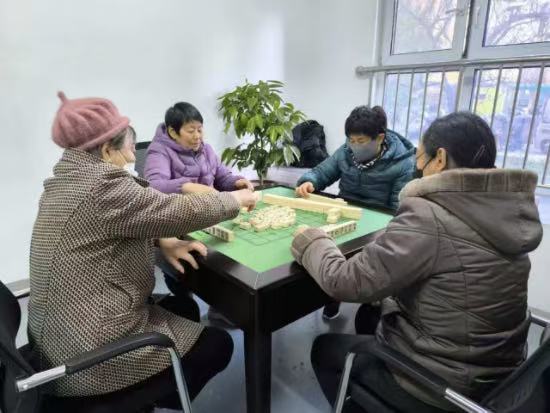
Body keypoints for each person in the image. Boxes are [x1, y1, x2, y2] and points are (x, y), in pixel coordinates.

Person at [291, 112, 543, 411]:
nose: (418, 167)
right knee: (369, 316)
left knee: (325, 350)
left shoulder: (428, 213)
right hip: (499, 376)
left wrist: (312, 240)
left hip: (444, 385)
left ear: (440, 158)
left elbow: (345, 281)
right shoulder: (507, 210)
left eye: (421, 158)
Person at [28, 92, 258, 411]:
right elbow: (172, 210)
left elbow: (105, 232)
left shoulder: (66, 181)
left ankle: (153, 389)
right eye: (127, 146)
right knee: (217, 345)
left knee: (183, 308)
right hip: (88, 357)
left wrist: (161, 240)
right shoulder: (102, 185)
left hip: (56, 340)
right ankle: (139, 400)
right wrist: (234, 200)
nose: (130, 155)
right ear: (106, 149)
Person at [296, 105, 415, 320]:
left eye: (361, 141)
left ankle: (373, 301)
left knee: (367, 266)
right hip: (343, 213)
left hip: (378, 224)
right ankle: (331, 298)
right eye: (351, 140)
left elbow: (396, 211)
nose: (354, 146)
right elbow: (323, 171)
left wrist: (379, 229)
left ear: (380, 138)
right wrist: (309, 181)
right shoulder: (345, 151)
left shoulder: (403, 162)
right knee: (330, 253)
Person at [144, 102, 253, 325]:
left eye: (200, 129)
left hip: (211, 217)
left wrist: (236, 182)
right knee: (185, 275)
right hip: (178, 225)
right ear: (173, 132)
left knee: (227, 263)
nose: (197, 136)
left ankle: (219, 308)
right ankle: (185, 308)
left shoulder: (207, 150)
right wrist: (186, 186)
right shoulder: (159, 151)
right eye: (190, 130)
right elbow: (152, 187)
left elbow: (222, 177)